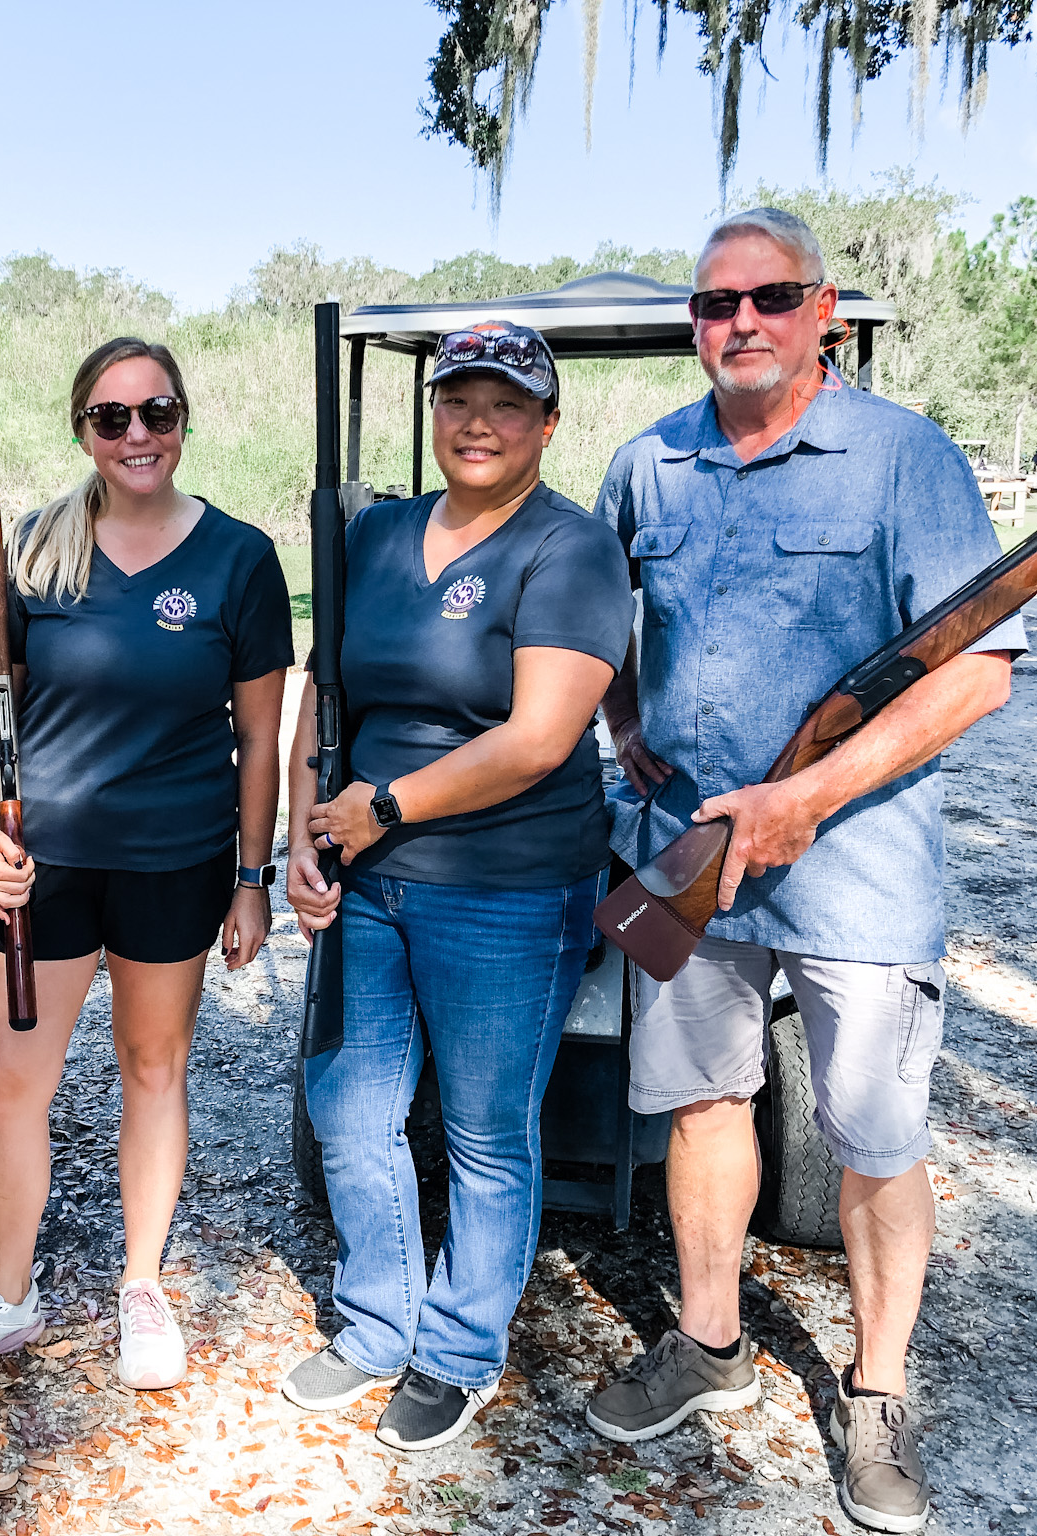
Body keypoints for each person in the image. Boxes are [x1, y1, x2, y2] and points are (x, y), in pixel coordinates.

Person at [584, 209, 1020, 1535]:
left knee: (874, 1140)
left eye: (769, 298)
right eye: (714, 306)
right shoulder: (647, 464)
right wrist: (624, 732)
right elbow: (604, 627)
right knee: (704, 1103)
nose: (740, 325)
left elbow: (979, 675)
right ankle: (709, 1345)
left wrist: (809, 798)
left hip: (860, 868)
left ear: (821, 307)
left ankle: (877, 1398)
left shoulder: (906, 459)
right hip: (689, 863)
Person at [0, 337, 292, 1395]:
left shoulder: (240, 558)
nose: (135, 437)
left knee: (152, 1070)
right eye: (111, 418)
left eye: (155, 414)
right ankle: (8, 1293)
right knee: (8, 1086)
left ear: (182, 422)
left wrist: (252, 878)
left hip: (178, 859)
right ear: (82, 429)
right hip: (45, 868)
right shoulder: (34, 548)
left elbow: (260, 737)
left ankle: (141, 1285)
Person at [280, 322, 634, 1452]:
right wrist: (301, 834)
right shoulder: (376, 534)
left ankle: (459, 1349)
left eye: (505, 404)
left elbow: (538, 739)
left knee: (485, 1133)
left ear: (546, 422)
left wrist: (382, 808)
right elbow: (321, 692)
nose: (476, 423)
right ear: (432, 413)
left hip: (506, 885)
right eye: (457, 401)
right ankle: (377, 1323)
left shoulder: (570, 549)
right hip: (365, 877)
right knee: (349, 1106)